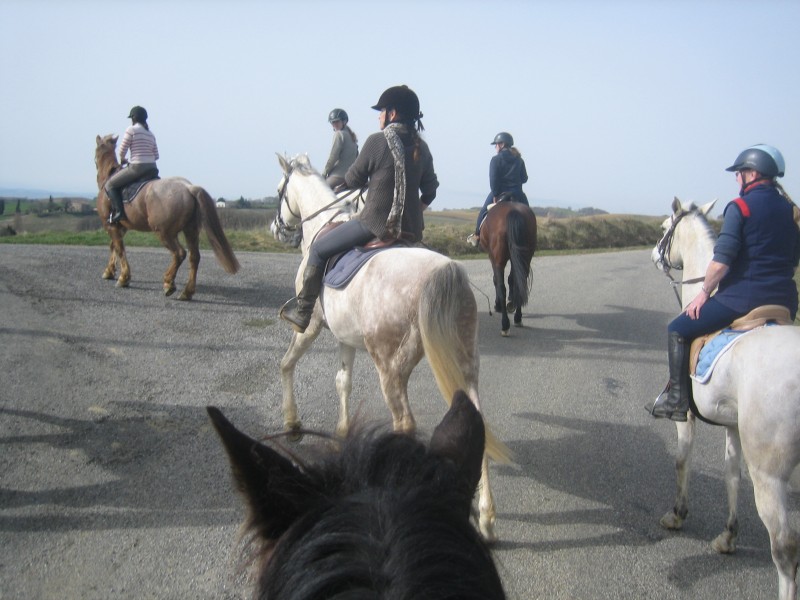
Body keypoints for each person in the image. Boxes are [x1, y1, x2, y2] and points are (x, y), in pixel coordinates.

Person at [649, 144, 800, 421]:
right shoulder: (792, 210)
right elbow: (793, 260)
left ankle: (676, 400)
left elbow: (721, 263)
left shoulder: (740, 207)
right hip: (785, 302)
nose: (737, 178)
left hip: (741, 300)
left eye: (739, 172)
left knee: (677, 328)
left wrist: (704, 293)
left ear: (752, 173)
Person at [280, 85, 439, 334]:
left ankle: (303, 311)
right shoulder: (423, 148)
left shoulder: (377, 141)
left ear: (393, 114)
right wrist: (414, 213)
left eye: (382, 111)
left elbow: (353, 179)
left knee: (319, 249)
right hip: (411, 231)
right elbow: (430, 191)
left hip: (373, 225)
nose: (379, 116)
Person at [467, 132, 529, 246]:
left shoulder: (495, 159)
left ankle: (476, 235)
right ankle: (531, 235)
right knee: (528, 214)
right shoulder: (519, 160)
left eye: (496, 144)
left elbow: (493, 180)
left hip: (500, 193)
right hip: (517, 193)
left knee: (483, 211)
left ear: (502, 144)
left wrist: (495, 195)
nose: (495, 147)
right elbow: (524, 179)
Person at [104, 106, 159, 224]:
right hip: (153, 168)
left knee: (109, 185)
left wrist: (123, 159)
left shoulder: (131, 130)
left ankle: (119, 213)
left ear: (134, 118)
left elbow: (122, 149)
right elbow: (156, 156)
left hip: (137, 167)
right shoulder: (151, 134)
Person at [322, 108, 359, 189]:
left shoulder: (339, 134)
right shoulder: (351, 136)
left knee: (320, 190)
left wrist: (324, 174)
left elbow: (333, 157)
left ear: (344, 121)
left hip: (339, 175)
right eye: (332, 122)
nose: (334, 124)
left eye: (337, 121)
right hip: (351, 176)